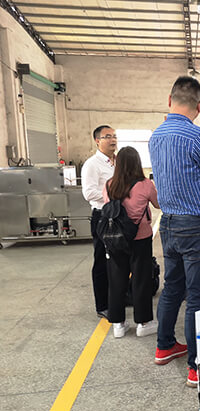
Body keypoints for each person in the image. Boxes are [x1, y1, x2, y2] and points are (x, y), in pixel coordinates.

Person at [149, 76, 200, 388]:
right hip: (197, 225)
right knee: (199, 296)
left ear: (170, 101)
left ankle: (164, 346)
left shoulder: (156, 136)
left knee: (172, 288)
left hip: (168, 223)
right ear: (199, 105)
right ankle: (197, 365)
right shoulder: (198, 136)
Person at [102, 146, 160, 338]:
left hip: (116, 238)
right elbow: (158, 204)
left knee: (116, 279)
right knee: (141, 279)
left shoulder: (109, 184)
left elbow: (109, 208)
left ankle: (118, 324)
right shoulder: (145, 184)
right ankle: (143, 323)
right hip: (140, 237)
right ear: (137, 163)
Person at [81, 125, 117, 319]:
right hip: (102, 217)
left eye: (114, 136)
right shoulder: (92, 164)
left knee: (118, 260)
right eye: (107, 136)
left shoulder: (117, 162)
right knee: (102, 260)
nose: (113, 140)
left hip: (117, 216)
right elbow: (89, 193)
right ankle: (102, 305)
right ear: (97, 140)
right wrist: (114, 196)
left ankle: (118, 297)